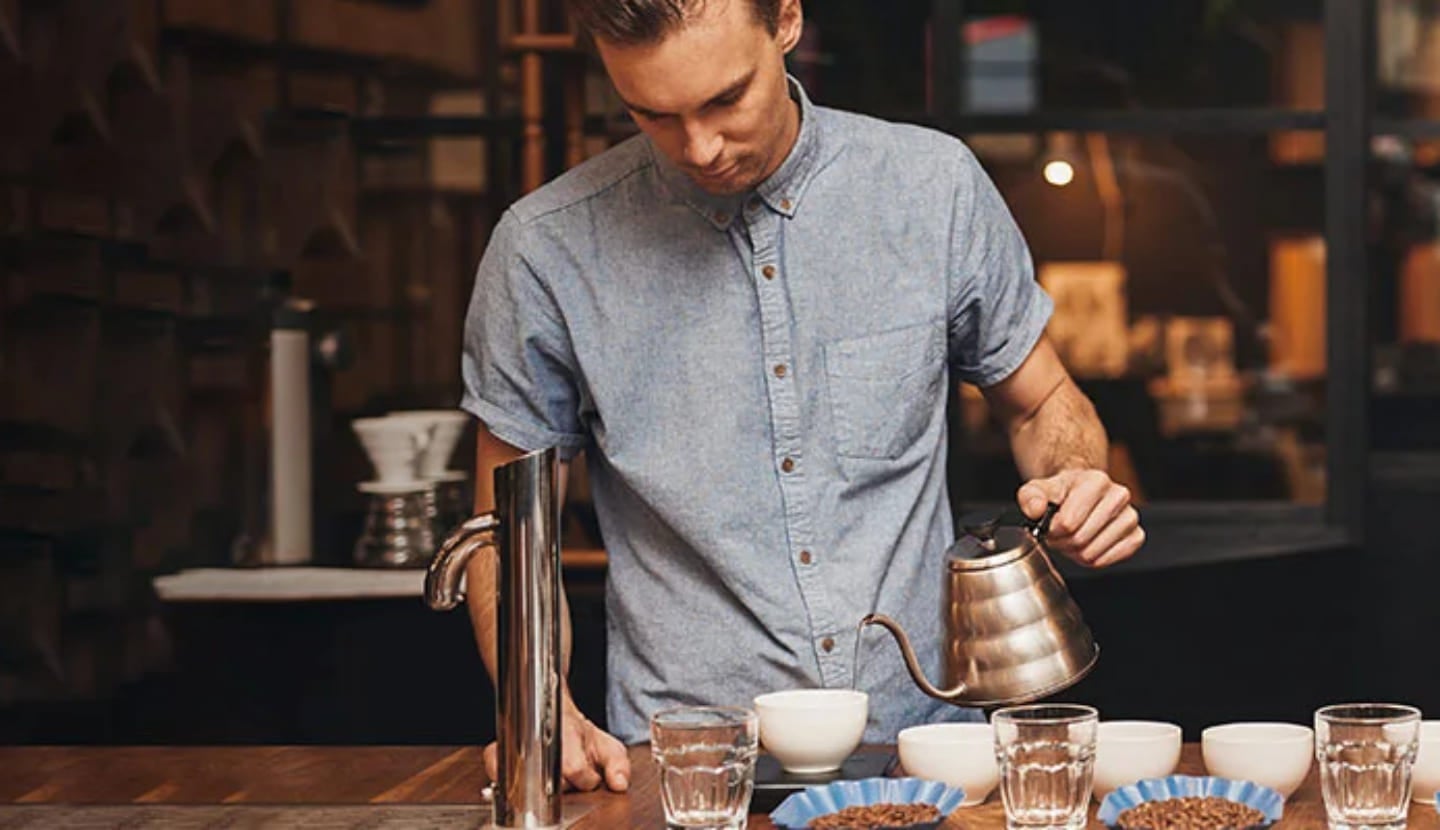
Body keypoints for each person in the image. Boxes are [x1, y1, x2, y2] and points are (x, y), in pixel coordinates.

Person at [460, 0, 1145, 795]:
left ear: (786, 21)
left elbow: (1039, 402)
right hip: (688, 771)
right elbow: (502, 535)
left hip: (927, 758)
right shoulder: (544, 250)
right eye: (653, 115)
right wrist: (538, 704)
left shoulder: (933, 188)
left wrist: (1075, 478)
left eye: (725, 100)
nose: (700, 148)